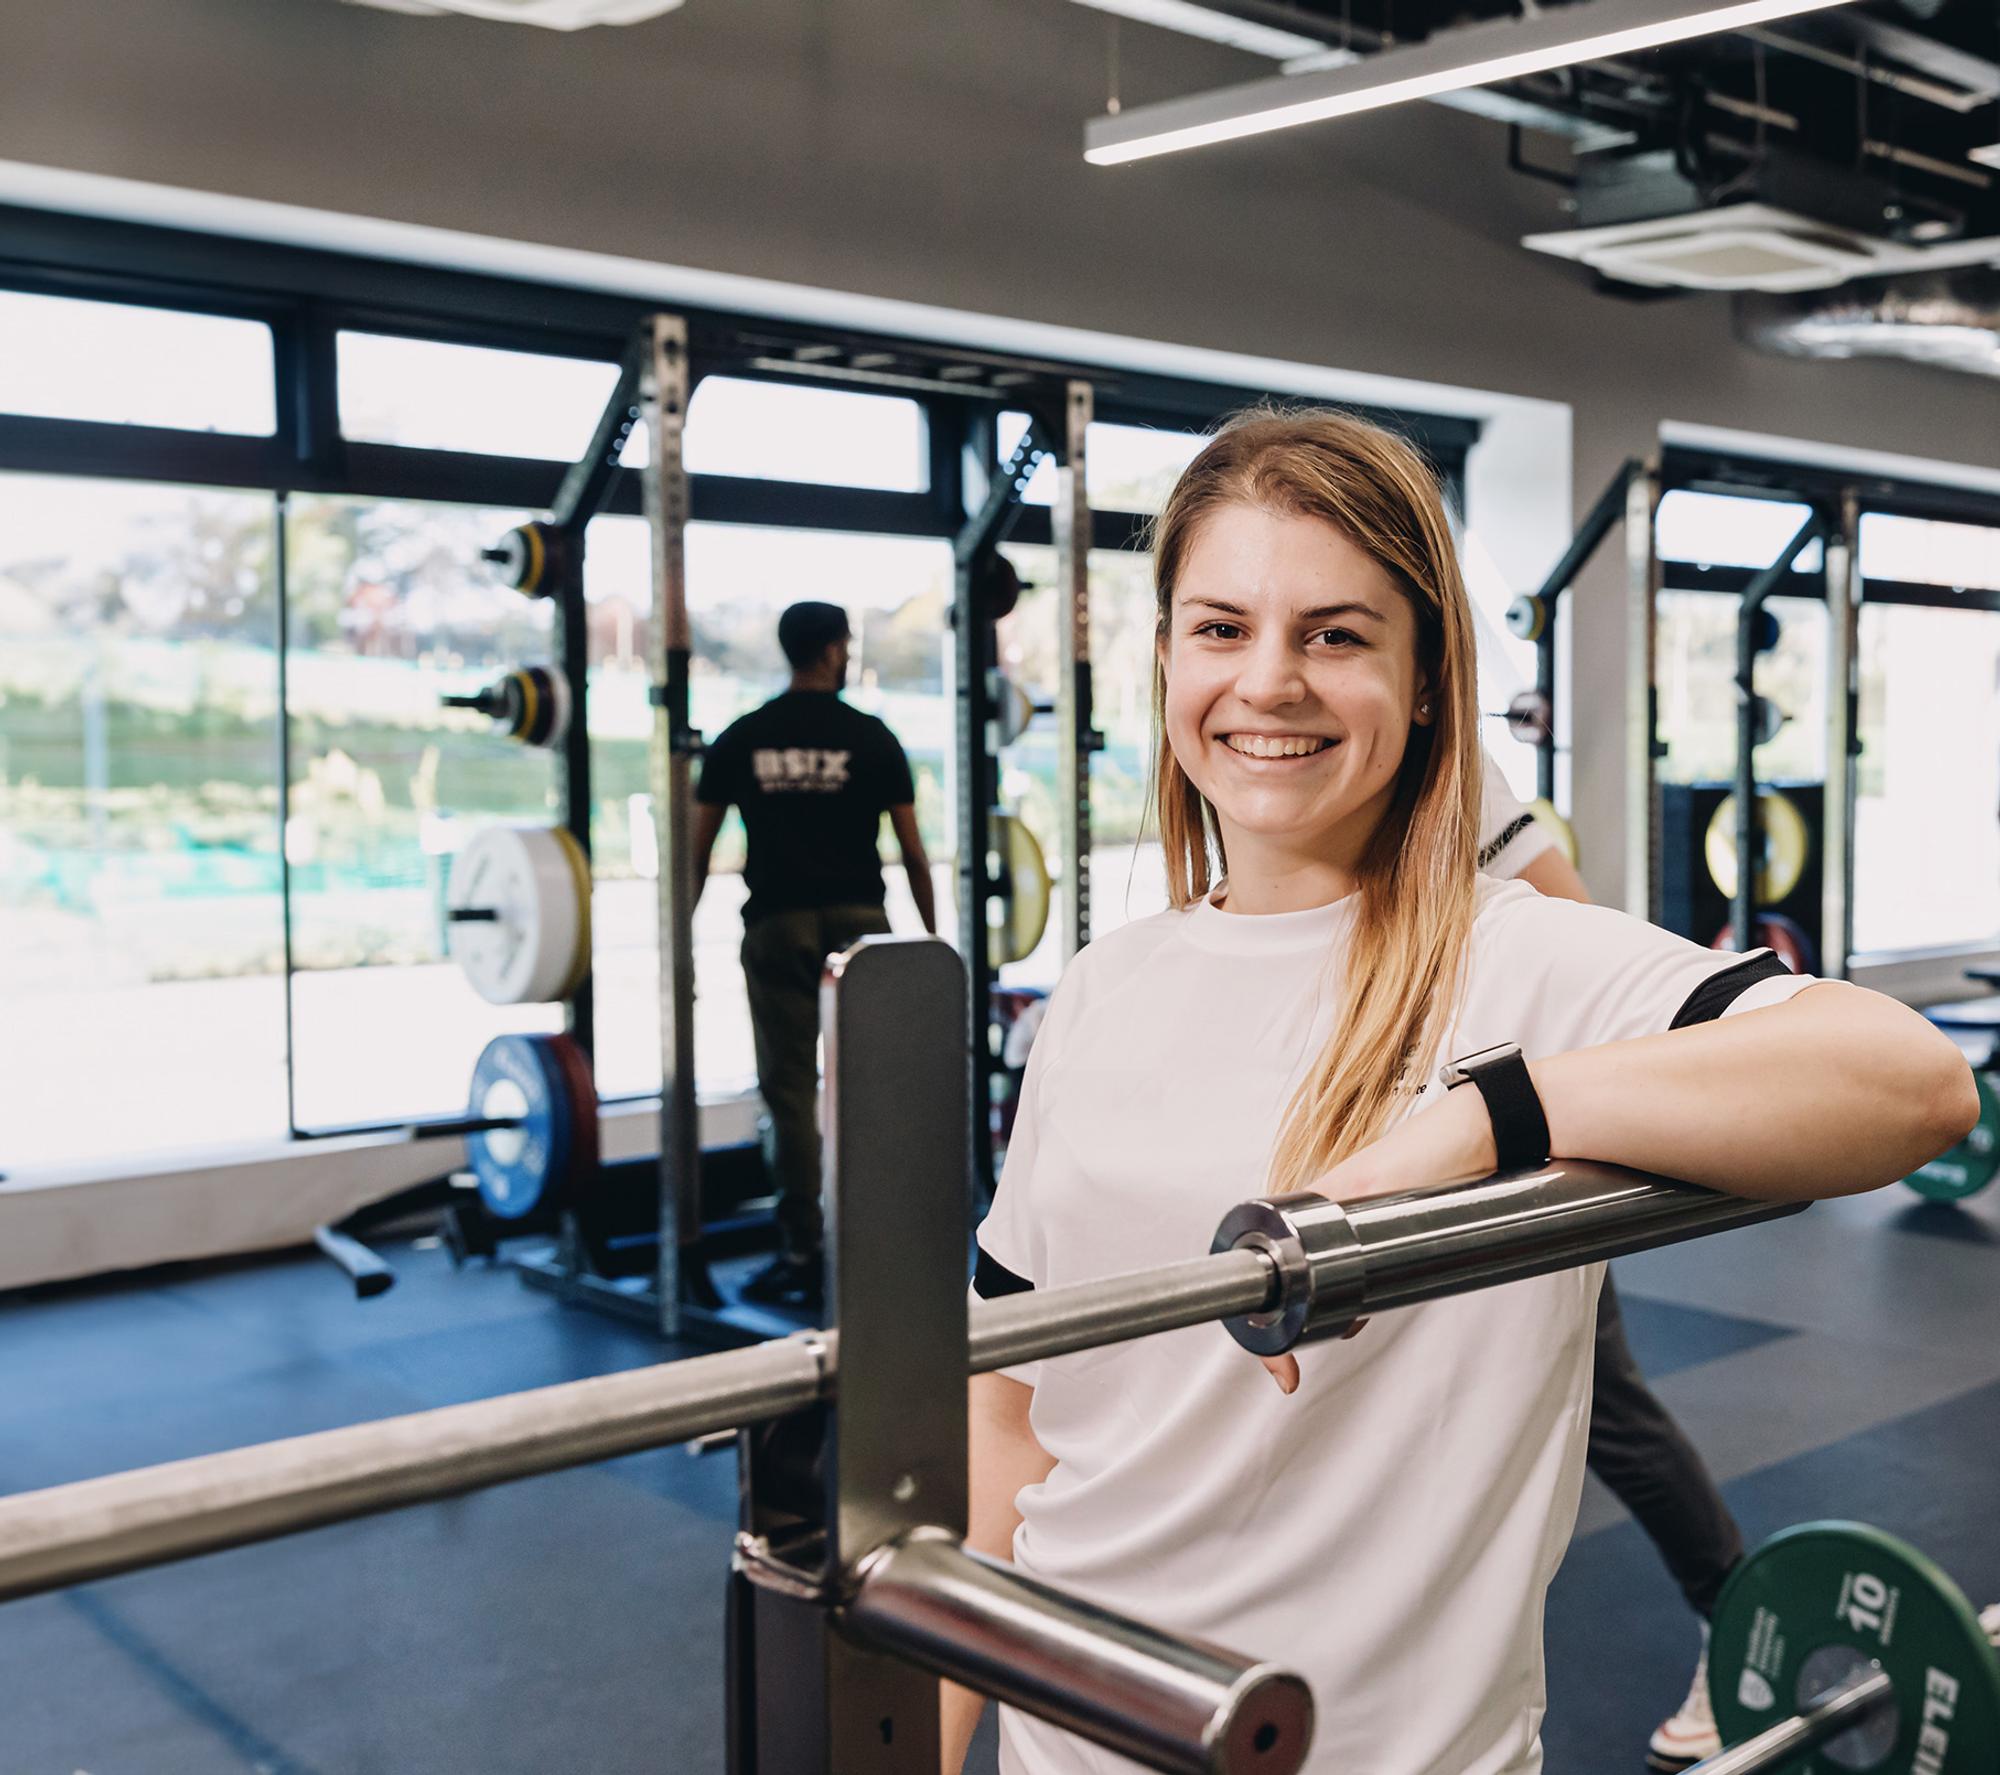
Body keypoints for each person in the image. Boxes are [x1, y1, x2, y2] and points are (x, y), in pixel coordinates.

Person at [949, 410, 1974, 1774]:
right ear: (1164, 656)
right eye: (1219, 627)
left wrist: (1484, 1120)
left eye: (1336, 633)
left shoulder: (1520, 958)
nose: (1270, 681)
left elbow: (1909, 1082)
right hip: (1069, 1732)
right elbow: (1011, 1420)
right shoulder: (1097, 987)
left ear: (1428, 677)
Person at [1478, 759, 1749, 1771]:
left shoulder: (1453, 762)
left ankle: (1737, 1614)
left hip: (1486, 1171)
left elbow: (1577, 933)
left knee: (1605, 1407)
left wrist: (1506, 1122)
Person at [694, 600, 937, 1308]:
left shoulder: (744, 737)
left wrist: (679, 945)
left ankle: (802, 1249)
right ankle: (884, 1246)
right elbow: (912, 853)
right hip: (862, 928)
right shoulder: (870, 736)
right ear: (833, 649)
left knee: (791, 1091)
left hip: (779, 925)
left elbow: (697, 848)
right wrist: (933, 945)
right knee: (873, 1089)